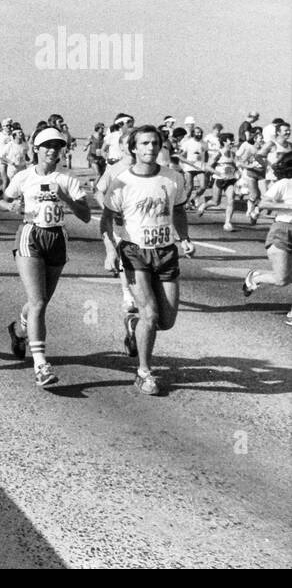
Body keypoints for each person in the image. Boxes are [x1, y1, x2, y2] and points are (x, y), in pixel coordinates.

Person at [100, 125, 194, 396]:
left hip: (165, 253)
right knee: (150, 315)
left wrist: (184, 237)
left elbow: (178, 211)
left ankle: (133, 324)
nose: (150, 148)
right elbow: (106, 222)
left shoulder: (172, 178)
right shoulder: (122, 182)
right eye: (144, 144)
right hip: (134, 252)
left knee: (166, 321)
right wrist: (109, 251)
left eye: (155, 143)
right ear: (133, 148)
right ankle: (144, 372)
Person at [0, 127, 92, 387]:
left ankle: (18, 330)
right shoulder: (23, 176)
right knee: (38, 301)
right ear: (35, 149)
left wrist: (66, 199)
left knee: (40, 301)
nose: (52, 151)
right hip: (31, 235)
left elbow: (85, 216)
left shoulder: (68, 177)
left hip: (57, 239)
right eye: (47, 145)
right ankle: (41, 365)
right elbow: (3, 201)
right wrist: (12, 206)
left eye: (57, 146)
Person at [242, 152, 292, 325]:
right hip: (283, 231)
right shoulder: (284, 184)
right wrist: (288, 206)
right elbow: (264, 203)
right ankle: (255, 277)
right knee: (282, 279)